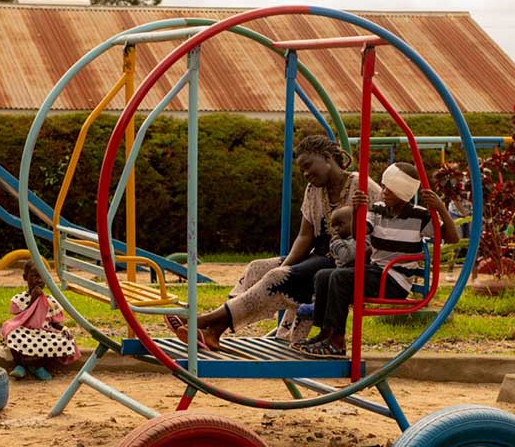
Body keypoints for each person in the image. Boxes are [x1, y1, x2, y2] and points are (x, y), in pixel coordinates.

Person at [163, 134, 381, 350]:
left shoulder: (362, 186)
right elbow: (305, 236)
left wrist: (283, 273)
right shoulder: (314, 190)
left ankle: (205, 322)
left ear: (326, 158)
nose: (305, 174)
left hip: (345, 262)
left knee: (277, 277)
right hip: (319, 256)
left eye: (308, 166)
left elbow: (382, 229)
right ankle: (213, 332)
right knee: (258, 267)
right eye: (301, 170)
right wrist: (286, 266)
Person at [296, 162, 460, 357]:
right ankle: (325, 333)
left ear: (403, 192)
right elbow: (359, 235)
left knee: (340, 277)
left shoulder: (420, 217)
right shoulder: (377, 210)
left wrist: (440, 208)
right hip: (376, 272)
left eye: (389, 188)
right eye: (383, 186)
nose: (383, 192)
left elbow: (452, 238)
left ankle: (337, 341)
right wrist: (358, 210)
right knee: (323, 276)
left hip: (394, 280)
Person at [0, 261, 80, 381]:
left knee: (67, 340)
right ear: (25, 278)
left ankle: (37, 366)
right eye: (35, 276)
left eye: (43, 277)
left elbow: (54, 323)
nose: (39, 280)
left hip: (43, 333)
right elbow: (20, 319)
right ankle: (20, 365)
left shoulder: (50, 301)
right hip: (25, 333)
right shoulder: (19, 299)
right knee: (11, 333)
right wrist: (33, 299)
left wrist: (64, 329)